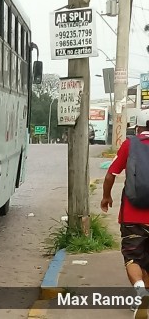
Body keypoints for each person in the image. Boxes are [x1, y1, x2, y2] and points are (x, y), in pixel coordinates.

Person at [101, 113, 149, 319]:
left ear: (136, 127)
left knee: (133, 258)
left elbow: (110, 174)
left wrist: (106, 197)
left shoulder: (130, 145)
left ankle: (140, 291)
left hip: (132, 216)